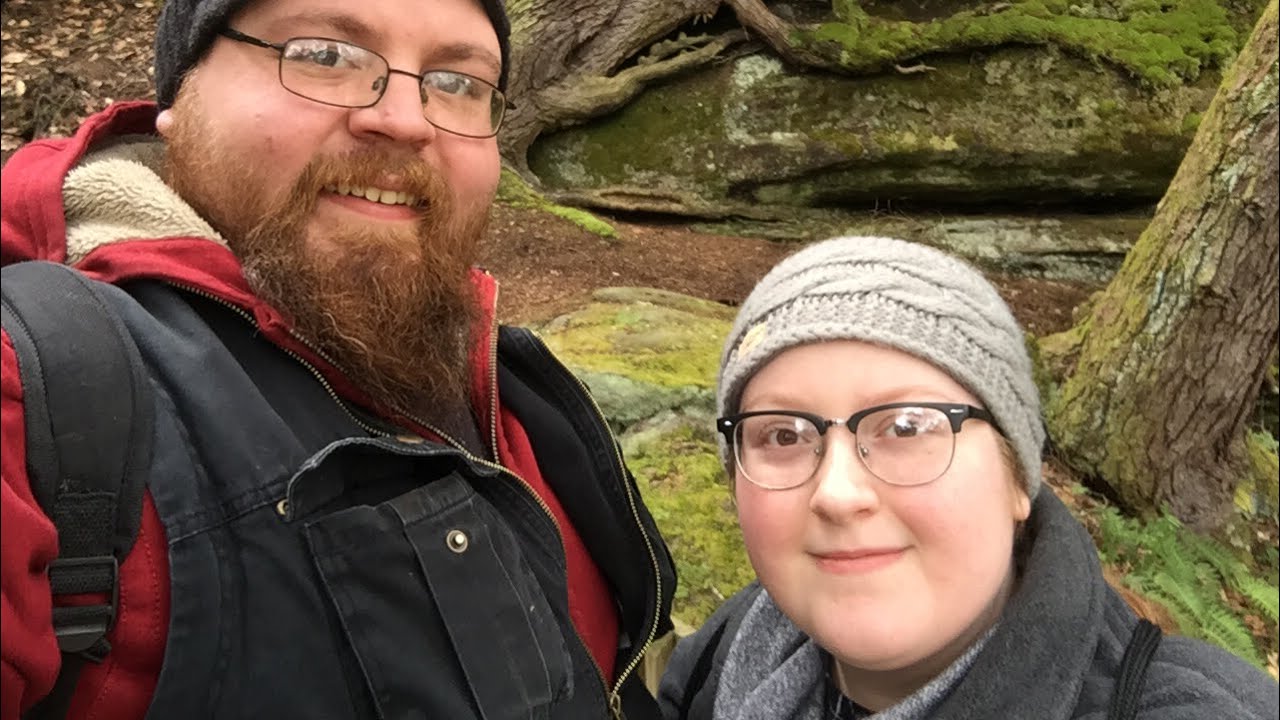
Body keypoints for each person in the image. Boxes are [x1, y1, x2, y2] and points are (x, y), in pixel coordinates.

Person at [0, 0, 676, 717]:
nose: (408, 119)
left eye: (456, 81)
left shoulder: (507, 385)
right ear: (179, 97)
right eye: (324, 56)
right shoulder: (37, 390)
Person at [657, 236, 1278, 720]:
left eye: (905, 427)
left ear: (1017, 478)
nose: (838, 494)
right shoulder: (723, 652)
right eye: (784, 435)